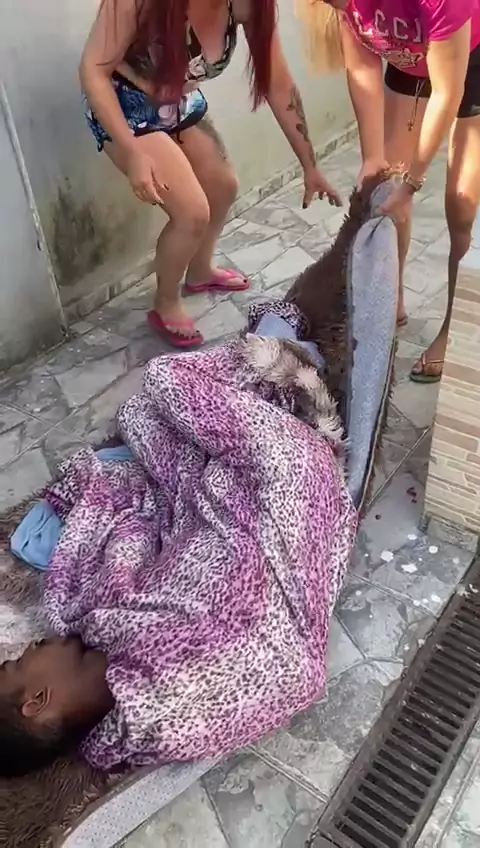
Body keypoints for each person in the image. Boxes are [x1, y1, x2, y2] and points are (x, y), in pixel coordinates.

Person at [80, 0, 341, 349]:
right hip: (125, 106)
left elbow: (278, 84)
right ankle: (166, 303)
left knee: (223, 186)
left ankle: (200, 271)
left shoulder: (248, 5)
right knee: (191, 213)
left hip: (179, 103)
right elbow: (93, 70)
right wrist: (132, 152)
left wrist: (310, 165)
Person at [297, 0, 480, 382]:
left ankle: (453, 332)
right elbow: (362, 67)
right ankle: (390, 301)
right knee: (385, 191)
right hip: (409, 58)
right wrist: (372, 157)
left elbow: (447, 92)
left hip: (471, 57)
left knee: (461, 207)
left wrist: (413, 181)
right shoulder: (340, 4)